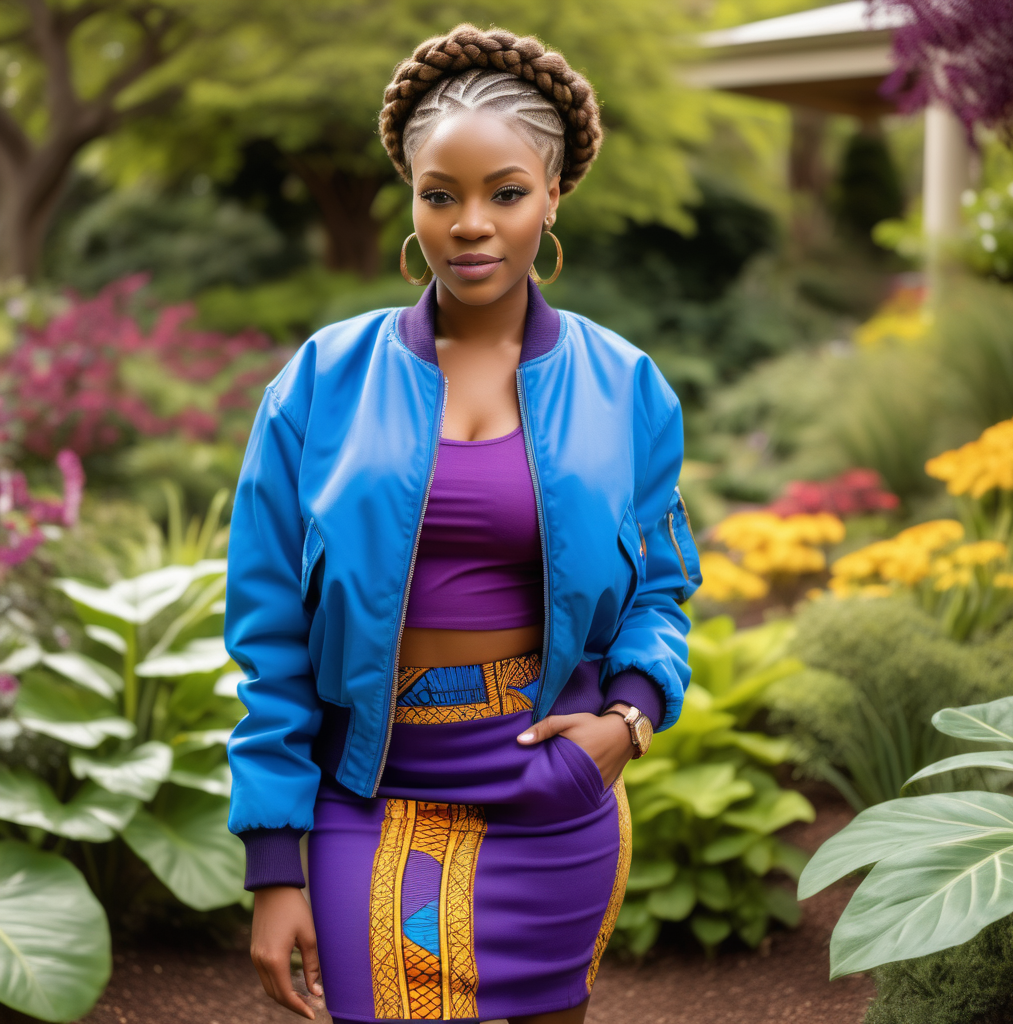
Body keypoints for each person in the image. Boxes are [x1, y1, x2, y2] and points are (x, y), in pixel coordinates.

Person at [224, 23, 702, 1024]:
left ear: (553, 195)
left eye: (505, 192)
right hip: (373, 790)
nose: (470, 224)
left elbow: (660, 585)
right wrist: (275, 861)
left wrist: (626, 723)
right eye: (441, 194)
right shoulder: (321, 383)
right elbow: (266, 624)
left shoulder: (625, 388)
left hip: (553, 792)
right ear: (410, 199)